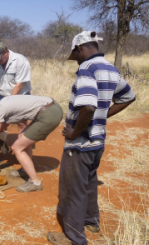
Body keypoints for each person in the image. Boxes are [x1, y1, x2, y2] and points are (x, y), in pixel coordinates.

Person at [47, 31, 136, 245]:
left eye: (75, 54)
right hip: (98, 142)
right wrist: (103, 116)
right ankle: (91, 221)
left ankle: (74, 236)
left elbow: (88, 106)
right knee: (89, 182)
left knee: (73, 188)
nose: (75, 58)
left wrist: (75, 132)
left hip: (80, 143)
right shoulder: (110, 68)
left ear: (80, 48)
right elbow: (128, 97)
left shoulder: (87, 69)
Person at [0, 95, 63, 192]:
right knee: (23, 141)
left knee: (17, 148)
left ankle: (35, 183)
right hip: (53, 108)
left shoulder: (0, 110)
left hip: (48, 115)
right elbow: (5, 125)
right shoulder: (4, 103)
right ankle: (25, 170)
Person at [0, 43, 32, 134]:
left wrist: (8, 103)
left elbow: (20, 84)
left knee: (21, 123)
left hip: (21, 96)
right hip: (3, 96)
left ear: (5, 52)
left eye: (0, 58)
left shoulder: (20, 61)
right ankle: (0, 145)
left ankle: (21, 146)